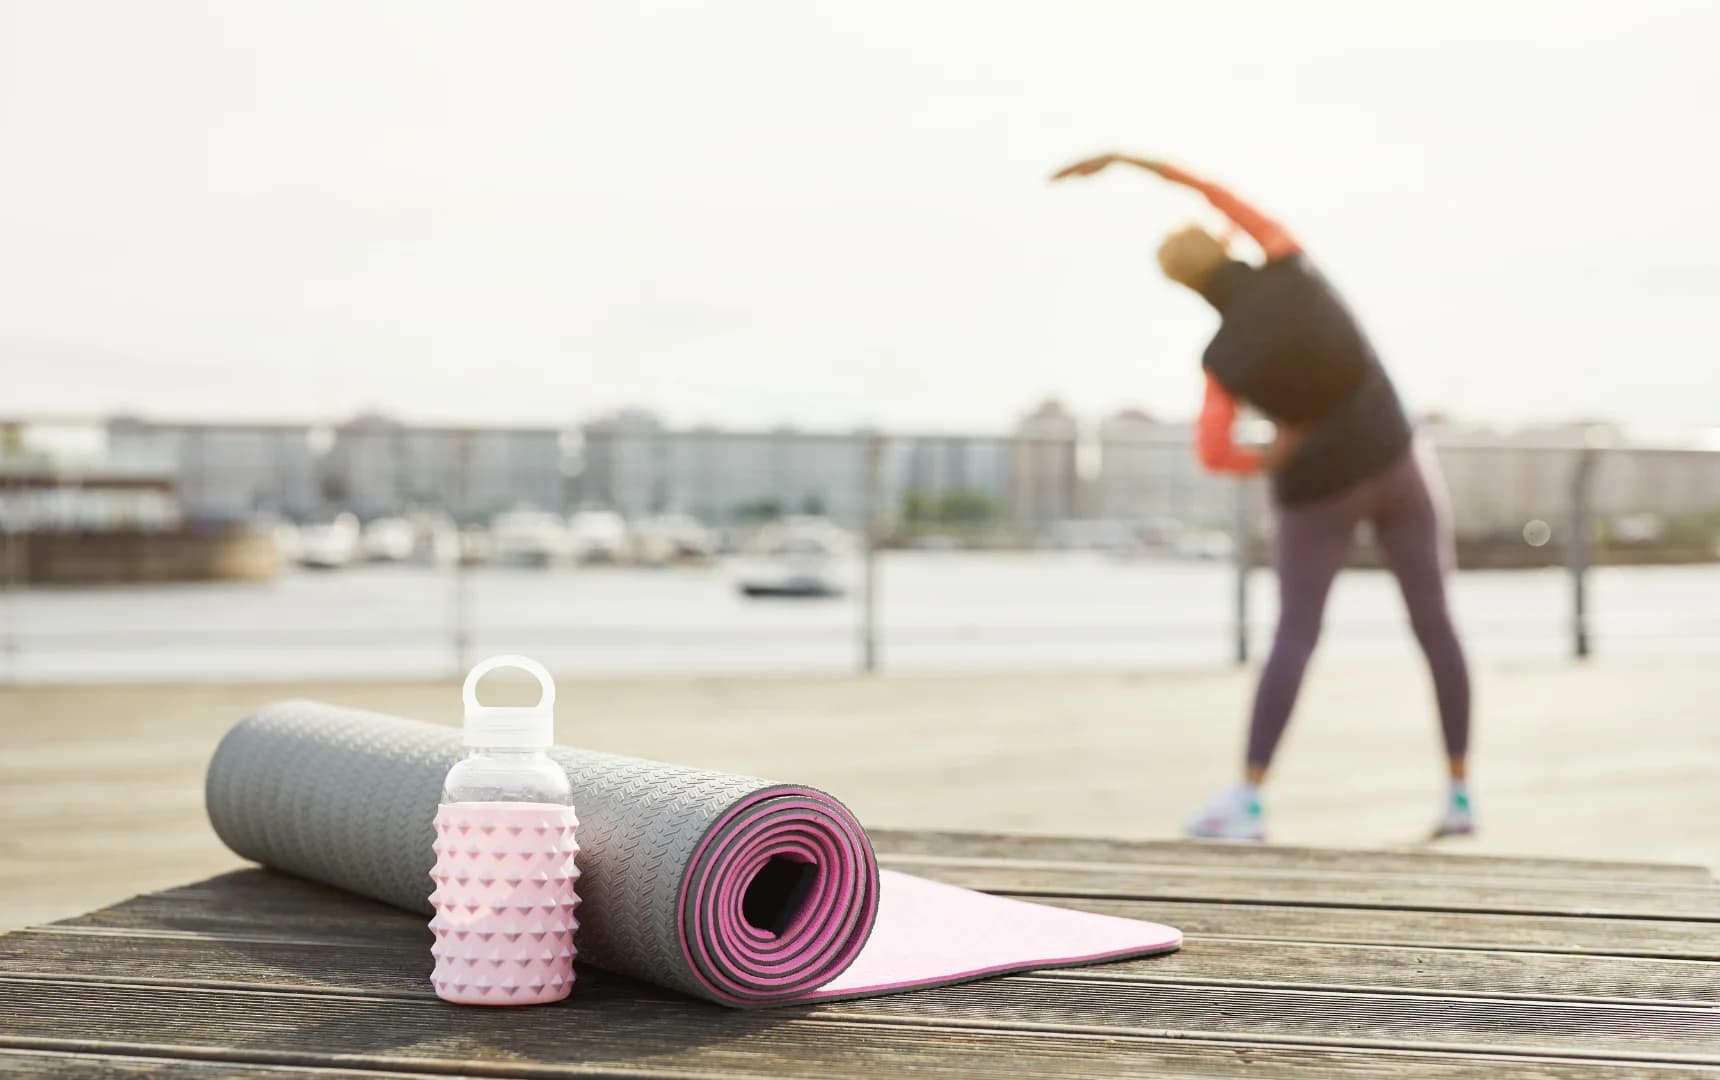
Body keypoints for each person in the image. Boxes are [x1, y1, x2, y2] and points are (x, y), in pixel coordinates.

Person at [1052, 153, 1474, 841]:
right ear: (1225, 242)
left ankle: (1248, 800)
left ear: (1186, 287)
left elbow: (1214, 453)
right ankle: (1460, 793)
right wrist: (1129, 161)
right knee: (1436, 622)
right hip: (1397, 460)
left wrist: (1271, 450)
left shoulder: (1220, 358)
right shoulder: (1291, 264)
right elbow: (1219, 190)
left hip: (1315, 489)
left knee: (1296, 632)